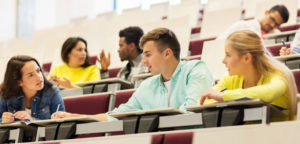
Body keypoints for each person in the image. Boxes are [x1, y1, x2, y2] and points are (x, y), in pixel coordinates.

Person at [51, 27, 214, 121]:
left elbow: (192, 112)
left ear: (167, 53)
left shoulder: (195, 69)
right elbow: (115, 115)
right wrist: (73, 116)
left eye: (148, 54)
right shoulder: (148, 85)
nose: (143, 61)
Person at [200, 30, 297, 120]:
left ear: (246, 58)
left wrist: (223, 97)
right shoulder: (230, 78)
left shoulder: (278, 75)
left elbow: (268, 93)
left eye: (228, 55)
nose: (223, 61)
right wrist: (223, 96)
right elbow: (205, 100)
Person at [0, 55, 65, 123]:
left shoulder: (52, 91)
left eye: (38, 71)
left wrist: (31, 120)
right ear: (19, 82)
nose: (39, 77)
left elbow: (61, 124)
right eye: (30, 75)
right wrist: (3, 121)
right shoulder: (7, 94)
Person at [218, 5, 289, 40]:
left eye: (277, 24)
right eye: (272, 19)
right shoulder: (243, 25)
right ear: (266, 12)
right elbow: (219, 41)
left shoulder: (277, 35)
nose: (272, 25)